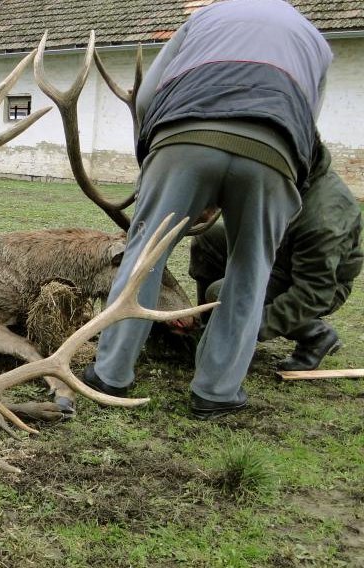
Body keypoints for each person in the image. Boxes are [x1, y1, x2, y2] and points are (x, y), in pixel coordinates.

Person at [82, 0, 334, 419]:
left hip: (183, 136)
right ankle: (216, 393)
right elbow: (309, 121)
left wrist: (157, 160)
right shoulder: (316, 40)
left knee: (145, 253)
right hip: (274, 152)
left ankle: (111, 373)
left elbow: (146, 96)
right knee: (251, 271)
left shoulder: (204, 17)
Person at [190, 142, 362, 372]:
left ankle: (316, 335)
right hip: (278, 253)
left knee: (221, 294)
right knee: (208, 238)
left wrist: (250, 328)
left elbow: (314, 293)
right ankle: (206, 327)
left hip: (317, 285)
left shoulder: (323, 218)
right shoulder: (288, 174)